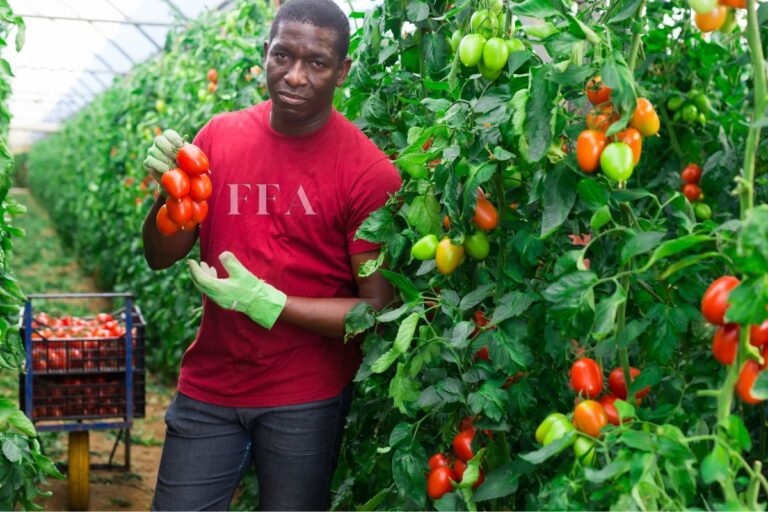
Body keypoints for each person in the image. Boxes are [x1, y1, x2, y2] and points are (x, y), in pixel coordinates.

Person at [141, 0, 402, 509]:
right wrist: (169, 197)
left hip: (305, 396)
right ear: (264, 54)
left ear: (343, 71)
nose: (295, 76)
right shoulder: (218, 137)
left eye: (317, 63)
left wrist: (272, 303)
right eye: (283, 56)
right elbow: (160, 254)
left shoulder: (369, 174)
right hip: (210, 385)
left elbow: (375, 310)